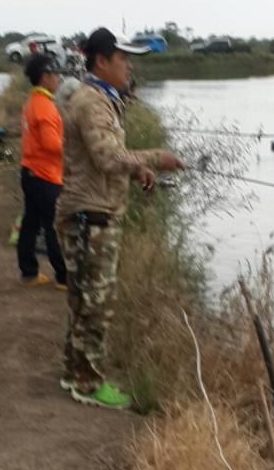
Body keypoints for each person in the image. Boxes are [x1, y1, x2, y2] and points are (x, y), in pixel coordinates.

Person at [55, 27, 185, 410]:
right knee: (96, 303)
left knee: (84, 300)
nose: (128, 65)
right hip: (90, 217)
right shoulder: (93, 102)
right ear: (101, 62)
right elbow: (107, 157)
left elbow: (112, 157)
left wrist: (137, 171)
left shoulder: (100, 98)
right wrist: (155, 159)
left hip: (91, 212)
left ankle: (73, 373)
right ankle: (89, 383)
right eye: (122, 59)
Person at [17, 52, 67, 289]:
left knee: (30, 223)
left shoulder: (31, 102)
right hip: (46, 176)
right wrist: (72, 149)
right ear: (45, 76)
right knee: (53, 226)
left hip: (30, 172)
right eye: (56, 75)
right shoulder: (45, 106)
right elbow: (51, 145)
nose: (58, 79)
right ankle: (64, 277)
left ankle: (29, 272)